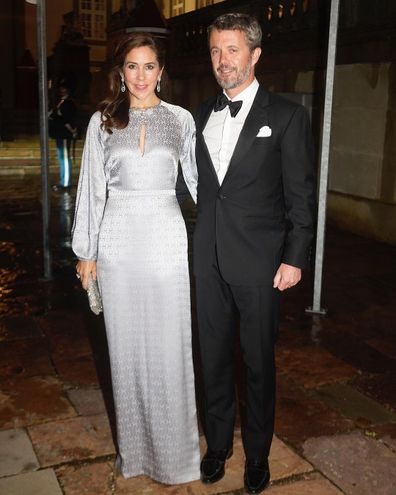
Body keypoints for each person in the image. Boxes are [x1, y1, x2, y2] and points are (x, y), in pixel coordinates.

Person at [193, 13, 316, 494]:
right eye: (216, 51)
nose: (223, 60)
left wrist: (295, 257)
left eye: (233, 50)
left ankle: (259, 454)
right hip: (207, 260)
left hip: (262, 264)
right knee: (214, 358)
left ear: (255, 54)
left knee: (259, 363)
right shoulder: (199, 114)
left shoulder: (286, 116)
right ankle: (219, 444)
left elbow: (301, 197)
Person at [71, 33, 200, 484]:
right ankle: (137, 454)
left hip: (166, 238)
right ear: (120, 72)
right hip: (118, 242)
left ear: (161, 71)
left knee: (170, 346)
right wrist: (86, 252)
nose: (141, 76)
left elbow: (202, 185)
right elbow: (91, 188)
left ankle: (178, 456)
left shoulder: (182, 120)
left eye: (149, 66)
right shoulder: (102, 121)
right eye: (132, 66)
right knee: (124, 350)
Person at [48, 80, 77, 191]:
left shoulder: (69, 103)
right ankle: (63, 180)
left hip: (65, 133)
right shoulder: (60, 102)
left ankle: (65, 183)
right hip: (60, 133)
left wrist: (72, 130)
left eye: (64, 89)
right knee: (62, 158)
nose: (62, 90)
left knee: (64, 158)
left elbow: (67, 118)